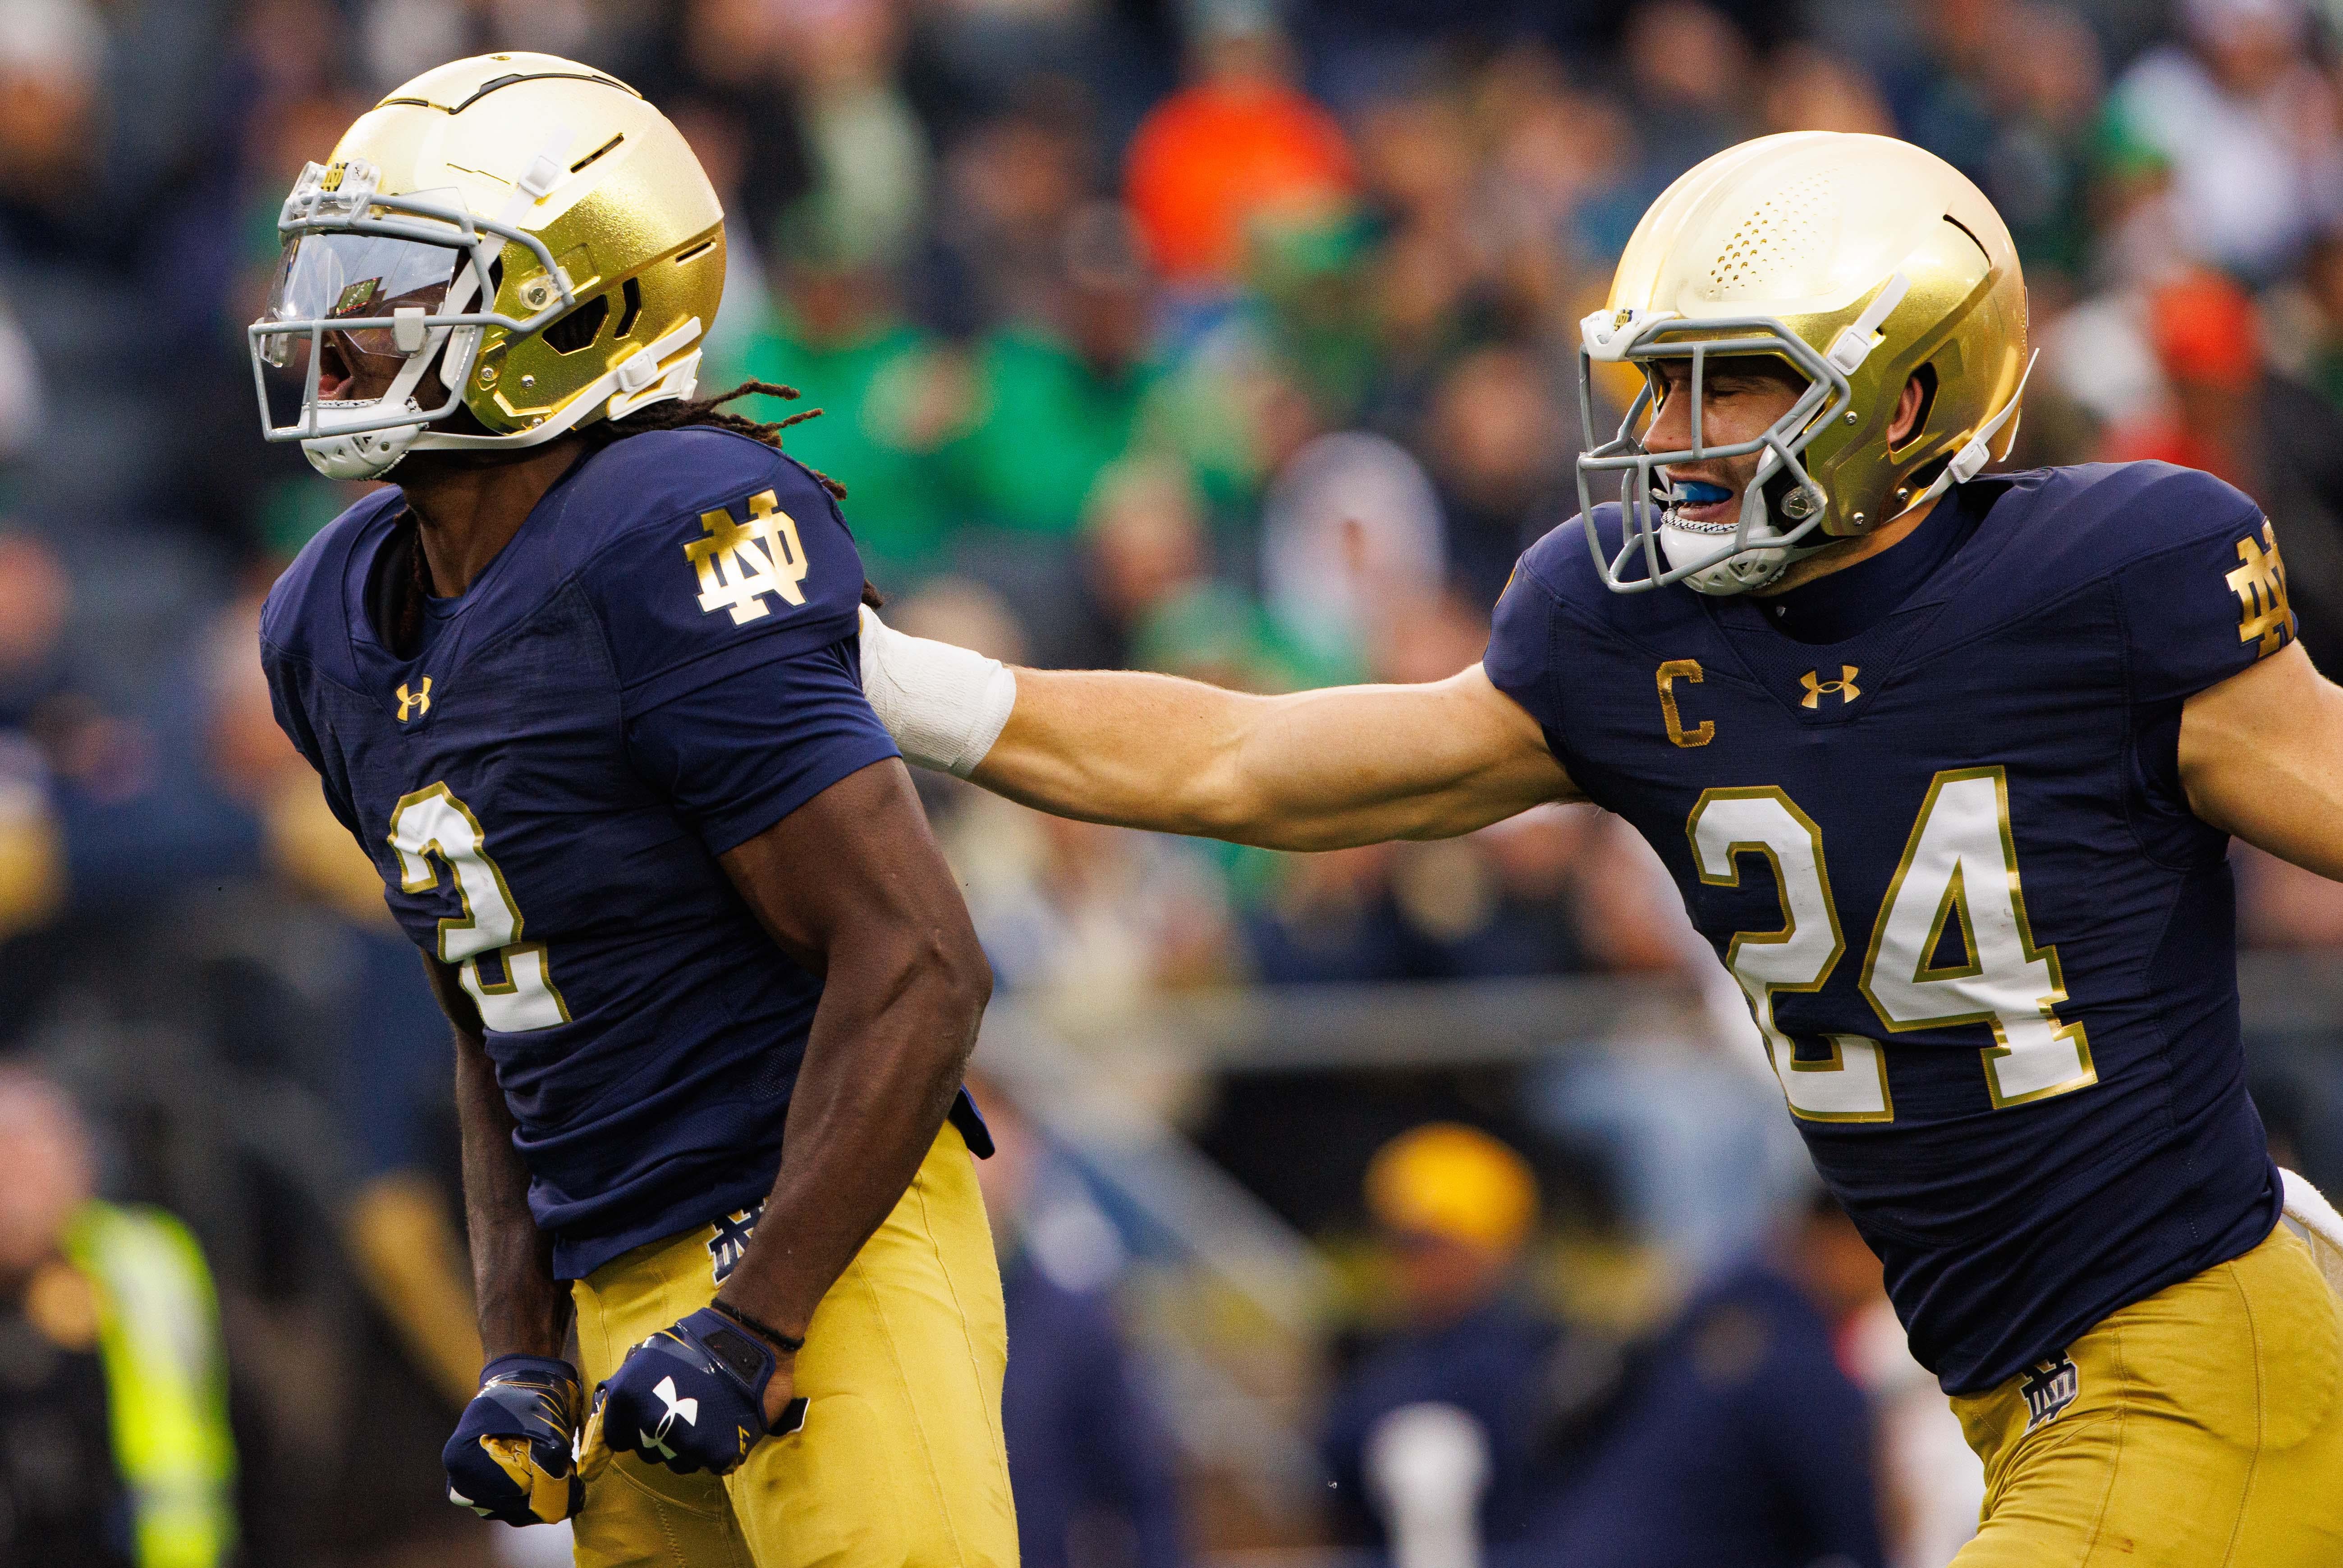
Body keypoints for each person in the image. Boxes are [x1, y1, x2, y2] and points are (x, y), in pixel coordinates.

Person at [858, 129, 2343, 1562]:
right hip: (2015, 1383)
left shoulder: (2108, 579)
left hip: (2192, 1352)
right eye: (1662, 380)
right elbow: (1248, 759)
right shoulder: (1621, 635)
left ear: (1899, 403)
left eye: (1732, 385)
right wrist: (891, 680)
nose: (1669, 436)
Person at [250, 55, 1010, 1568]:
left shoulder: (669, 526)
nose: (339, 322)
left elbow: (923, 958)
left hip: (819, 1240)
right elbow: (499, 1002)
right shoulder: (327, 619)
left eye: (400, 281)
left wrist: (755, 1316)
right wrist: (520, 1340)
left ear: (576, 309)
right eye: (336, 272)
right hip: (616, 1285)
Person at [1521, 1189, 1889, 1568]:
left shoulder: (1703, 1324)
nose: (1894, 1270)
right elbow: (1866, 1529)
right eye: (1885, 1245)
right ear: (1838, 1242)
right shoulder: (1792, 1361)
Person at [0, 1066, 237, 1568]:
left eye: (30, 1158)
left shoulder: (142, 1265)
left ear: (80, 1163)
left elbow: (238, 1425)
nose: (17, 1191)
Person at [1318, 1124, 1591, 1554]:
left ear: (1494, 1247)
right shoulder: (1380, 1354)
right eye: (1395, 1242)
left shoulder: (1546, 1356)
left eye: (1428, 1243)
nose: (1407, 1264)